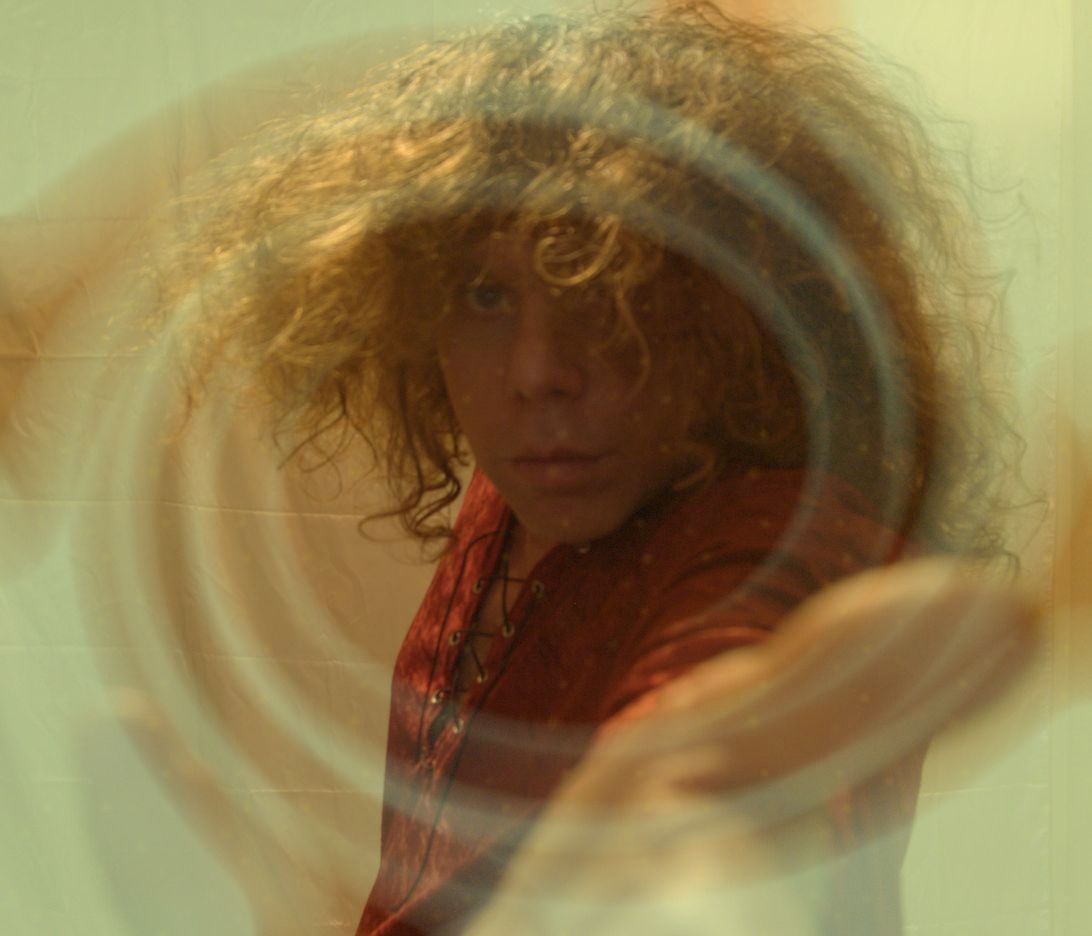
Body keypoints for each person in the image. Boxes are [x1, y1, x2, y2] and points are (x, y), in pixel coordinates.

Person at [145, 3, 1032, 933]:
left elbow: (697, 779)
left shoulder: (778, 541)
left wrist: (677, 840)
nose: (538, 370)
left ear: (738, 309)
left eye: (604, 287)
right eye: (487, 294)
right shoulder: (536, 484)